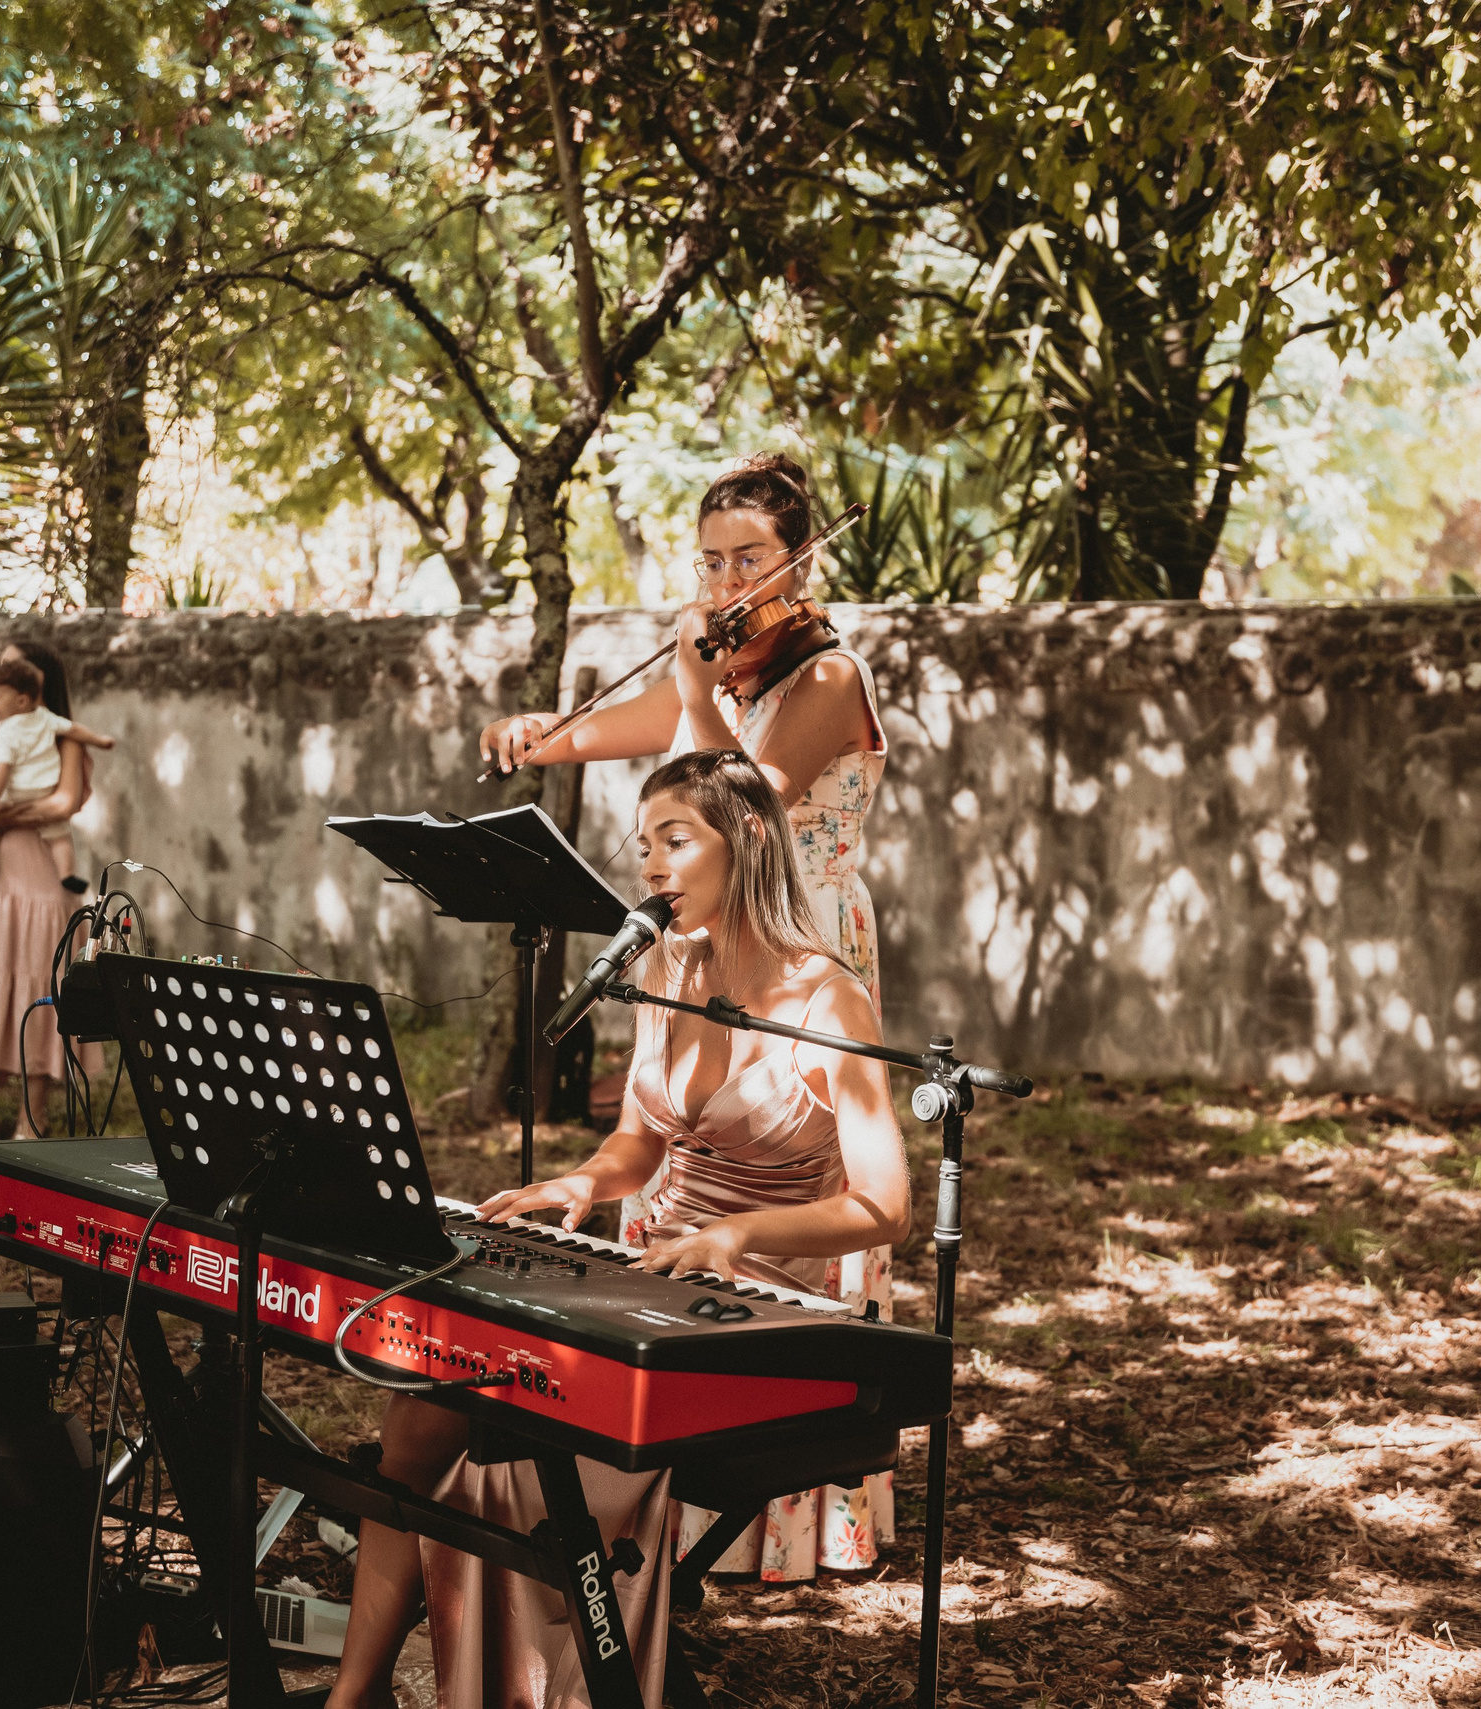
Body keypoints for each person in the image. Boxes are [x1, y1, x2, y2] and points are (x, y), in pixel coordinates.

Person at [327, 750, 913, 1709]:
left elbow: (882, 1204)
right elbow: (639, 1142)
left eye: (676, 841)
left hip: (758, 1305)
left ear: (751, 836)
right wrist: (581, 1182)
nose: (650, 867)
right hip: (650, 1269)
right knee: (422, 1407)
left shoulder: (825, 997)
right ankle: (354, 1699)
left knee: (512, 1446)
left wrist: (733, 1237)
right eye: (643, 847)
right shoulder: (669, 966)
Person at [477, 452, 898, 1579]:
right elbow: (641, 733)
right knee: (682, 1138)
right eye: (709, 561)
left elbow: (725, 786)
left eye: (748, 560)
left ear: (797, 561)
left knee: (792, 1170)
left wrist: (687, 667)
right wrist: (541, 734)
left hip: (800, 941)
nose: (724, 582)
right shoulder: (728, 668)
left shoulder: (823, 676)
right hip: (712, 940)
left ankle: (796, 1501)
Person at [0, 639, 102, 1146]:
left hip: (44, 883)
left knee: (39, 987)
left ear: (36, 686)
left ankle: (33, 1115)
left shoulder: (64, 739)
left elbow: (65, 801)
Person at [0, 657, 116, 891]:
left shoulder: (7, 731)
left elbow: (4, 767)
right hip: (44, 789)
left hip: (14, 790)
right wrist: (99, 740)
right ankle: (67, 875)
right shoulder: (45, 718)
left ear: (22, 701)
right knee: (60, 835)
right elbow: (73, 729)